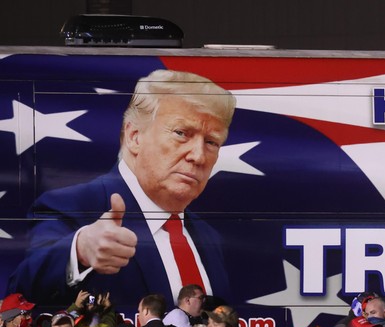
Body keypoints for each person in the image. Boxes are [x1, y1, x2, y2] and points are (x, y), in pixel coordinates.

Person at [8, 69, 236, 307]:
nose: (199, 156)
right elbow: (20, 294)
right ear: (134, 136)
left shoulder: (210, 237)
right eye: (181, 133)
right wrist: (80, 251)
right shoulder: (72, 206)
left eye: (211, 142)